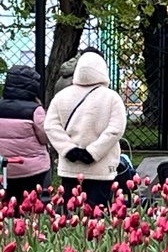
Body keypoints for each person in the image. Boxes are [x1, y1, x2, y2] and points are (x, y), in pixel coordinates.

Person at [43, 50, 127, 209]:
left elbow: (51, 126)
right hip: (101, 168)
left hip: (70, 167)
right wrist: (93, 152)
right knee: (97, 214)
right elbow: (116, 129)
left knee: (70, 213)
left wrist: (68, 149)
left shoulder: (61, 96)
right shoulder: (112, 97)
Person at [0, 65, 51, 198]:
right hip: (32, 168)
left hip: (5, 167)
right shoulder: (35, 110)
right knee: (32, 206)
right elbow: (45, 137)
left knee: (8, 204)